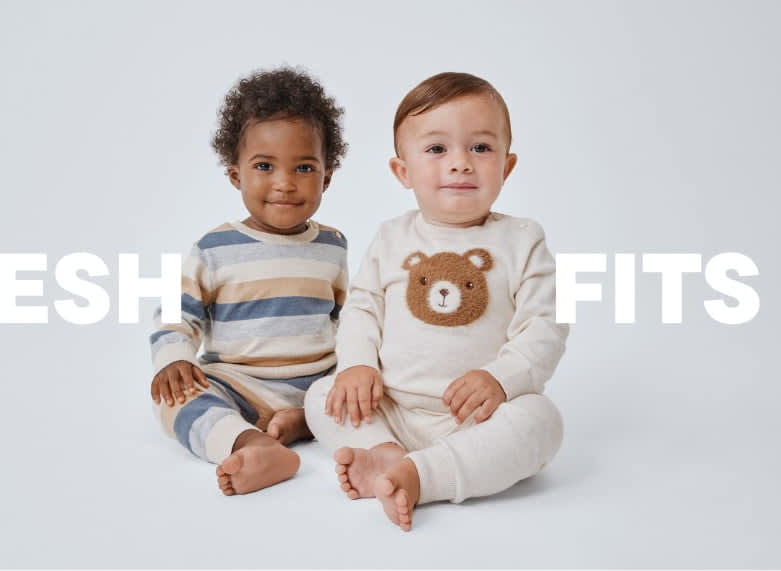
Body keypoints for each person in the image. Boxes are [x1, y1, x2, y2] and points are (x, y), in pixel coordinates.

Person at [305, 72, 568, 530]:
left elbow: (546, 324)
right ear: (402, 171)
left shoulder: (521, 240)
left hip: (476, 417)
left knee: (541, 422)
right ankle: (385, 452)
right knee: (324, 394)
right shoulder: (391, 237)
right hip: (390, 407)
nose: (461, 163)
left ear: (506, 166)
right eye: (437, 149)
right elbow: (363, 309)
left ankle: (424, 475)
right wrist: (357, 366)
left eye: (481, 148)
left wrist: (500, 379)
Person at [150, 67, 348, 495]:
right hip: (237, 385)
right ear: (236, 175)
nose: (284, 184)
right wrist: (174, 360)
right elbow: (174, 312)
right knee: (174, 402)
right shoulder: (215, 248)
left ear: (326, 177)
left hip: (317, 385)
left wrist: (357, 372)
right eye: (264, 166)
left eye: (304, 168)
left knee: (367, 393)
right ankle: (249, 442)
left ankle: (302, 422)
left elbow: (352, 320)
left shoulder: (333, 246)